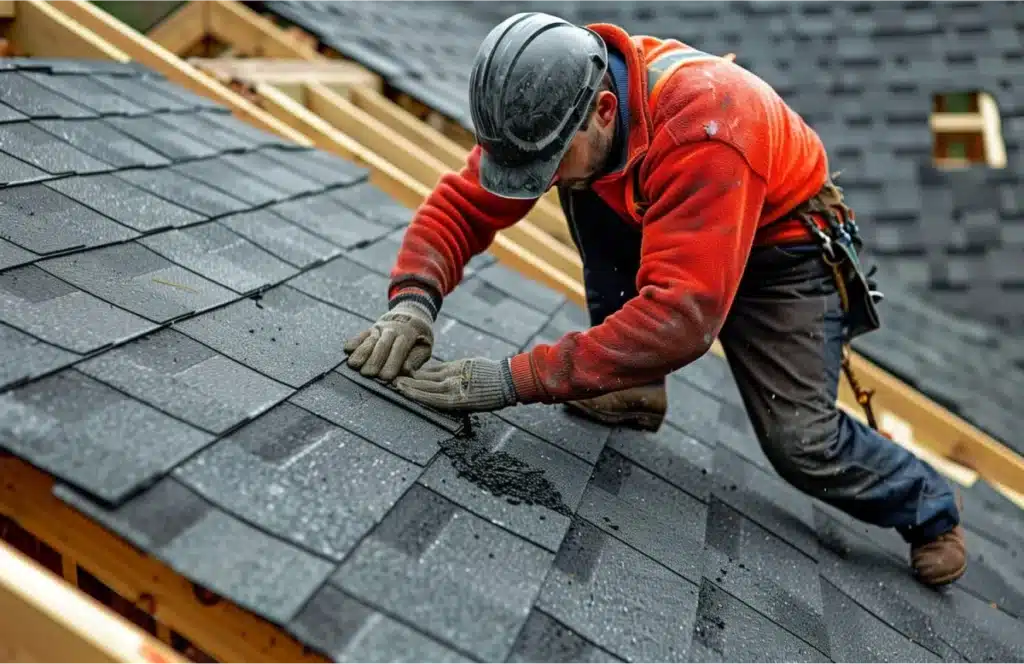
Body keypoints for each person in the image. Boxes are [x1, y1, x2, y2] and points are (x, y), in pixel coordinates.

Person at [342, 12, 967, 586]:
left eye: (548, 162)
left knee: (801, 442)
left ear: (606, 110)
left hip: (782, 255)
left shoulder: (708, 126)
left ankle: (928, 506)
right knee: (586, 180)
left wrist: (510, 380)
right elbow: (463, 204)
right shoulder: (551, 105)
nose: (543, 180)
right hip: (673, 210)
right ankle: (631, 386)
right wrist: (413, 301)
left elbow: (681, 318)